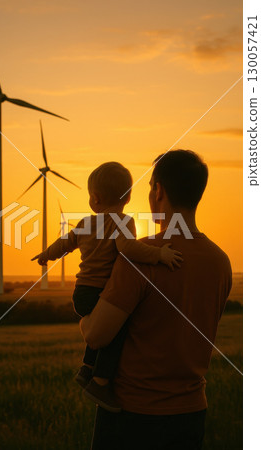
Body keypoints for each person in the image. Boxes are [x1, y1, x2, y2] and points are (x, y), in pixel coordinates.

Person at [80, 150, 232, 450]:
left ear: (158, 191)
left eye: (150, 187)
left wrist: (84, 314)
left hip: (133, 415)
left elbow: (97, 335)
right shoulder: (221, 261)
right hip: (191, 415)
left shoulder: (139, 256)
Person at [32, 162, 182, 412]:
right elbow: (128, 248)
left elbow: (65, 243)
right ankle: (100, 383)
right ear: (128, 197)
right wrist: (159, 255)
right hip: (103, 293)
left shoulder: (83, 223)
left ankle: (87, 369)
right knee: (117, 332)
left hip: (81, 293)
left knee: (104, 329)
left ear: (94, 199)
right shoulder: (124, 221)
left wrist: (46, 255)